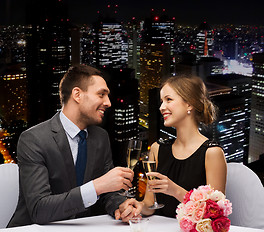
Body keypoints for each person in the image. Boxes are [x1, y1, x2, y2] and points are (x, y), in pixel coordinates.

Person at [8, 65, 142, 227]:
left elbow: (108, 194)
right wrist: (96, 186)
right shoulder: (33, 139)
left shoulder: (100, 138)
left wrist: (120, 205)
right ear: (77, 95)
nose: (108, 103)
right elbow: (39, 209)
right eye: (101, 94)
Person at [141, 74, 227, 218]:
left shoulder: (212, 153)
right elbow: (150, 205)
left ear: (189, 104)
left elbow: (215, 214)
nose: (162, 107)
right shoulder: (157, 148)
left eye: (168, 99)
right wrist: (136, 206)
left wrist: (175, 190)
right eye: (162, 101)